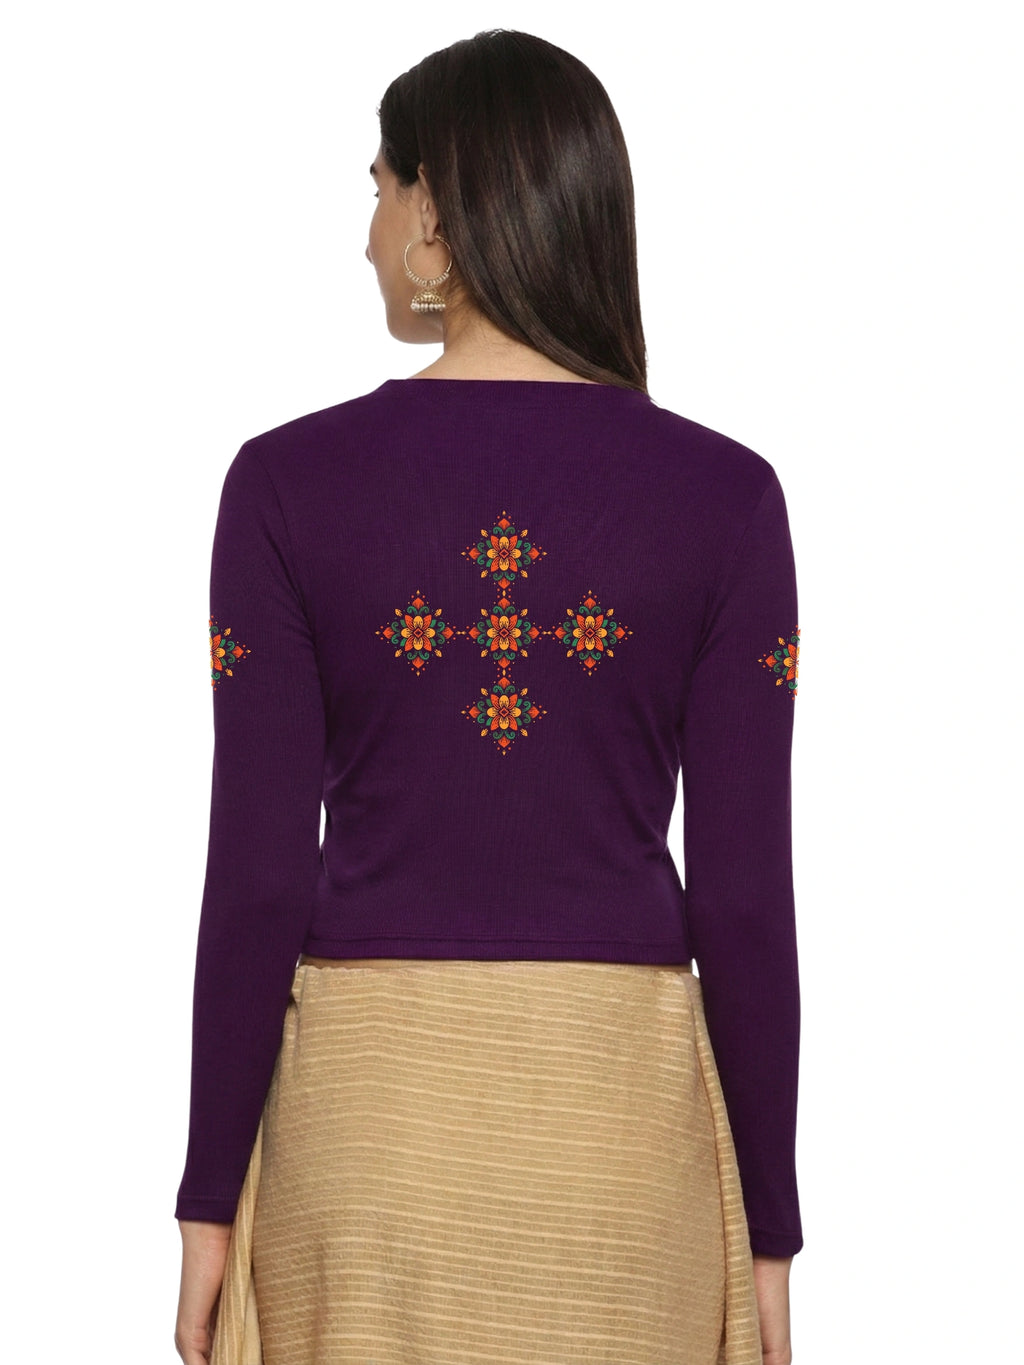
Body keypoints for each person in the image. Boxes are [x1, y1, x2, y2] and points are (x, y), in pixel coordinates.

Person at [174, 28, 803, 1365]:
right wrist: (769, 1235)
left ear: (436, 219)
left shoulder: (282, 487)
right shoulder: (730, 501)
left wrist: (208, 1199)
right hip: (620, 1142)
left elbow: (258, 877)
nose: (364, 232)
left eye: (377, 187)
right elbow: (744, 900)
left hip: (368, 1137)